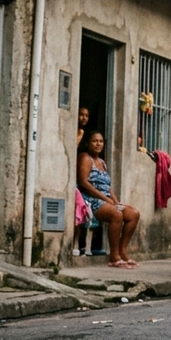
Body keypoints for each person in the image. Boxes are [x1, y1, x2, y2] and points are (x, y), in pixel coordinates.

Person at [77, 131, 140, 269]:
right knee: (116, 215)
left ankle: (123, 252)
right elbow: (83, 183)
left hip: (106, 200)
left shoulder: (102, 162)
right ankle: (114, 257)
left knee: (133, 214)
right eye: (95, 141)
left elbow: (107, 186)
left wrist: (116, 201)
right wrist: (106, 200)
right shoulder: (85, 158)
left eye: (101, 141)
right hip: (91, 200)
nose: (98, 144)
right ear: (87, 143)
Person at [73, 107, 92, 256]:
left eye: (86, 116)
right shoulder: (75, 131)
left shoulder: (87, 135)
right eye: (81, 115)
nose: (84, 118)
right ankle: (76, 244)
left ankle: (85, 246)